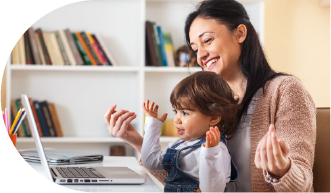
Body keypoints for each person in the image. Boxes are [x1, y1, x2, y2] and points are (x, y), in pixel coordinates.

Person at [104, 0, 316, 192]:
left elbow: (303, 184)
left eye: (207, 40)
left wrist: (281, 169)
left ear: (240, 33)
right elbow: (183, 180)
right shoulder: (208, 101)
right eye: (195, 48)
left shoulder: (284, 90)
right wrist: (138, 141)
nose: (201, 55)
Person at [141, 71, 239, 193]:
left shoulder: (217, 150)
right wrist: (152, 124)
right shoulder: (178, 145)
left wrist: (210, 153)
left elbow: (211, 191)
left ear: (213, 118)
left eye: (185, 113)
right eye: (175, 111)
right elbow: (150, 162)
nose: (176, 119)